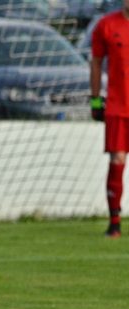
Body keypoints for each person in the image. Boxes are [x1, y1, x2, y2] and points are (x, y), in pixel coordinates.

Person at [91, 0, 129, 238]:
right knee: (117, 160)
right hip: (118, 106)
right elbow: (95, 63)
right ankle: (114, 222)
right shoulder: (105, 25)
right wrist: (95, 100)